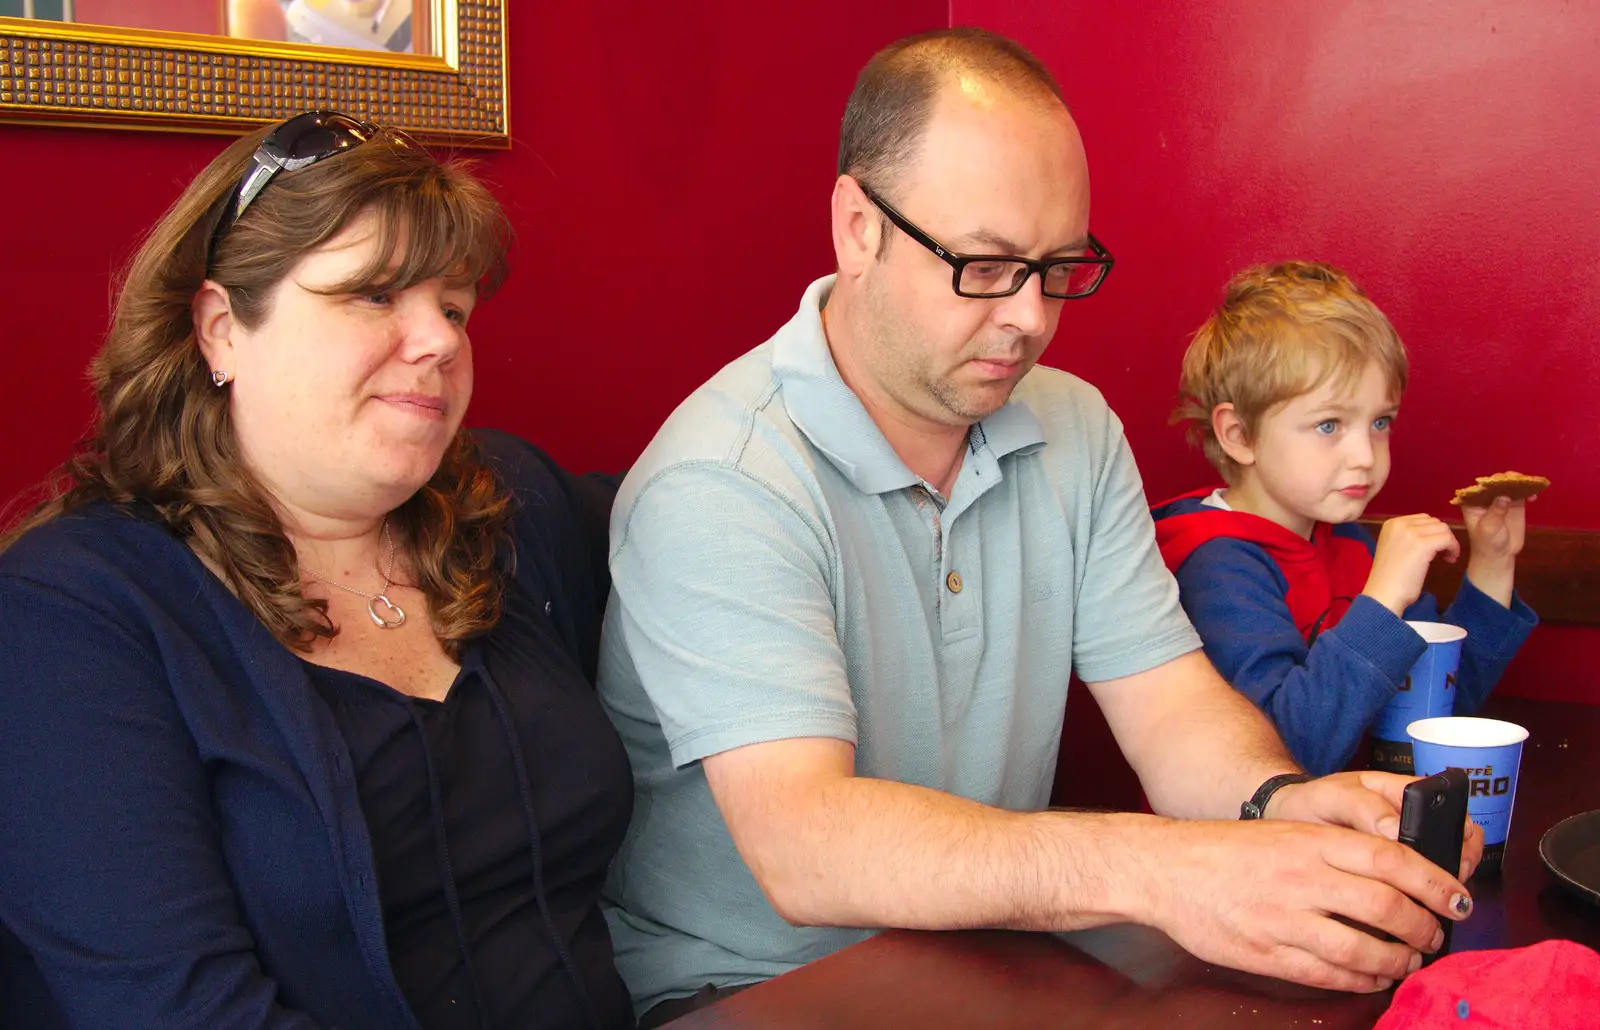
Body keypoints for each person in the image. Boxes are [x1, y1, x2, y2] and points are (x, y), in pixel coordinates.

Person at [596, 28, 1481, 1028]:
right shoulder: (725, 477)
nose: (1030, 316)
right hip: (748, 986)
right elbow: (806, 843)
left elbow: (1168, 705)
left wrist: (1271, 803)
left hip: (990, 953)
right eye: (984, 264)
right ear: (857, 226)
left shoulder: (1072, 425)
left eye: (1059, 267)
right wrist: (1162, 867)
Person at [0, 112, 634, 1030]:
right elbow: (180, 1010)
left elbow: (720, 513)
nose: (441, 341)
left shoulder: (511, 509)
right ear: (221, 330)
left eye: (453, 307)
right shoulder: (71, 619)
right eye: (375, 296)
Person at [1151, 262, 1538, 775]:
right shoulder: (1216, 567)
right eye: (1329, 424)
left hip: (1356, 825)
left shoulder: (1352, 543)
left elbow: (1429, 713)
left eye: (1380, 422)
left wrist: (1491, 564)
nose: (1364, 454)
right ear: (1240, 435)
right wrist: (1381, 600)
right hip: (1245, 842)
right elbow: (1283, 757)